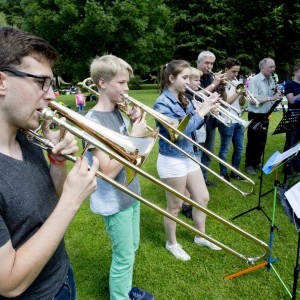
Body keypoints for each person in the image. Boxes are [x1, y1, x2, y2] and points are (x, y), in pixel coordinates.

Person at [0, 27, 99, 299]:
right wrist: (72, 200)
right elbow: (8, 283)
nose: (52, 95)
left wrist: (56, 163)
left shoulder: (27, 138)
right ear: (1, 82)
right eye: (41, 82)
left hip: (61, 278)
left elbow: (48, 204)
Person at [85, 54, 154, 300]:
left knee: (132, 248)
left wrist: (134, 127)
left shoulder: (116, 113)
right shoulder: (93, 121)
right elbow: (106, 171)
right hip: (115, 200)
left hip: (130, 192)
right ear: (103, 83)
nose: (127, 89)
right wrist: (135, 138)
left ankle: (125, 289)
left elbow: (129, 153)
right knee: (124, 256)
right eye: (122, 83)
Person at [153, 60, 221, 262]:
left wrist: (208, 112)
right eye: (184, 78)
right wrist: (203, 110)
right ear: (171, 78)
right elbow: (180, 133)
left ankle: (200, 236)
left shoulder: (183, 97)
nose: (188, 82)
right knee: (175, 206)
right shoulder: (162, 103)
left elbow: (194, 120)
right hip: (172, 159)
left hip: (189, 155)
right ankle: (172, 243)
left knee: (202, 198)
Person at [244, 57, 282, 175]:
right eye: (270, 67)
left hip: (266, 114)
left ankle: (256, 161)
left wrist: (276, 93)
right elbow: (252, 100)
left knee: (262, 141)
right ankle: (248, 164)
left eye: (274, 67)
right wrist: (271, 98)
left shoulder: (271, 79)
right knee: (253, 140)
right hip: (255, 114)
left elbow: (272, 95)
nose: (273, 69)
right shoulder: (255, 80)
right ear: (262, 67)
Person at [197, 50, 225, 187]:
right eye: (206, 62)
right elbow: (196, 96)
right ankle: (194, 182)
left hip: (210, 121)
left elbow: (216, 97)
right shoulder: (193, 76)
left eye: (212, 63)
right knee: (196, 152)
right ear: (199, 63)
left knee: (209, 152)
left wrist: (220, 89)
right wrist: (214, 84)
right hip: (197, 122)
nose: (209, 66)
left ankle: (202, 177)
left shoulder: (211, 78)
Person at [218, 58, 246, 181]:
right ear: (226, 69)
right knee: (225, 149)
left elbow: (241, 103)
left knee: (239, 148)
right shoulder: (221, 83)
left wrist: (243, 95)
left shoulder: (237, 82)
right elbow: (225, 103)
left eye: (237, 71)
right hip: (226, 120)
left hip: (238, 119)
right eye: (233, 71)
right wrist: (238, 92)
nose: (236, 74)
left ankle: (235, 172)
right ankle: (223, 173)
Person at [283, 64, 300, 173]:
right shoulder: (289, 85)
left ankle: (297, 164)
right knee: (290, 142)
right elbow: (291, 100)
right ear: (295, 71)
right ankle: (287, 165)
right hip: (293, 118)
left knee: (298, 143)